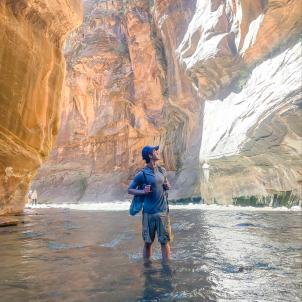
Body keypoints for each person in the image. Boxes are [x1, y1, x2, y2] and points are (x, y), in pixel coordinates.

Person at [128, 145, 172, 263]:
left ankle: (167, 269)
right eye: (154, 151)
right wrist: (142, 191)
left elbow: (166, 184)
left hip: (163, 212)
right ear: (149, 155)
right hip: (148, 214)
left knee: (165, 242)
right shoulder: (141, 174)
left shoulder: (162, 170)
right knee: (148, 243)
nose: (157, 152)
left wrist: (167, 186)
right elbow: (130, 190)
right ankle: (147, 268)